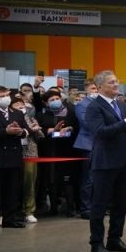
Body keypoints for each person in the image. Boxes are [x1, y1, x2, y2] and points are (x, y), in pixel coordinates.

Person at [81, 71, 126, 252]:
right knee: (99, 205)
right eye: (111, 82)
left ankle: (114, 239)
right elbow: (100, 132)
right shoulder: (94, 107)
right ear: (100, 86)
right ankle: (96, 243)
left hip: (123, 160)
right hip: (105, 162)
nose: (116, 84)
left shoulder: (121, 105)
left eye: (116, 81)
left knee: (120, 205)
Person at [0, 85, 31, 231]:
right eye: (1, 96)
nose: (6, 98)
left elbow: (27, 131)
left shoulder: (17, 113)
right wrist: (4, 132)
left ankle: (10, 218)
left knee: (12, 190)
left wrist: (20, 131)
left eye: (7, 95)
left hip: (13, 157)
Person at [36, 88, 79, 216]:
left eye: (57, 98)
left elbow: (78, 127)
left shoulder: (71, 112)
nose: (55, 101)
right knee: (52, 180)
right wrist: (51, 130)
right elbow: (39, 131)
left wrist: (70, 128)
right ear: (46, 103)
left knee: (68, 181)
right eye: (52, 100)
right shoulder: (41, 115)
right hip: (49, 151)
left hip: (68, 150)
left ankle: (70, 208)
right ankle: (53, 208)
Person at [14, 94, 44, 223]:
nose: (21, 106)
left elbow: (41, 136)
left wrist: (36, 130)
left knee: (29, 184)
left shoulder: (31, 118)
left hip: (30, 154)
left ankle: (29, 211)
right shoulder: (10, 119)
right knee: (13, 184)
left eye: (22, 103)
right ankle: (9, 211)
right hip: (14, 154)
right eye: (17, 104)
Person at [71, 80, 99, 217]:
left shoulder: (103, 103)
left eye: (97, 88)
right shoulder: (82, 104)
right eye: (93, 88)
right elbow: (87, 123)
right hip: (88, 144)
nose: (95, 91)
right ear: (87, 89)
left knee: (99, 177)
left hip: (102, 144)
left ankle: (97, 206)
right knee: (89, 178)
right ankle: (85, 208)